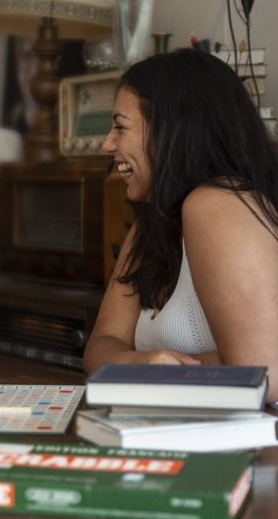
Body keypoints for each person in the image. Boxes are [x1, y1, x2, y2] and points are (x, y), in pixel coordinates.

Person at [83, 48, 278, 403]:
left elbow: (265, 372)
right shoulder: (151, 222)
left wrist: (158, 371)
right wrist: (142, 365)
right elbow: (101, 344)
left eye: (120, 127)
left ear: (170, 131)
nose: (106, 144)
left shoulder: (216, 204)